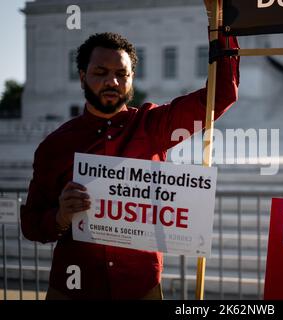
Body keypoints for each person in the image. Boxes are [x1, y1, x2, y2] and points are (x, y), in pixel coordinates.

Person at [20, 1, 239, 300]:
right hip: (74, 287)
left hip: (140, 286)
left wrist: (221, 25)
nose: (112, 81)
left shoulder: (154, 126)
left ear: (132, 79)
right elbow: (31, 225)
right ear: (82, 76)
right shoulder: (55, 145)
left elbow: (222, 93)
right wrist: (59, 217)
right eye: (100, 72)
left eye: (121, 74)